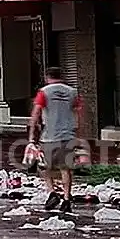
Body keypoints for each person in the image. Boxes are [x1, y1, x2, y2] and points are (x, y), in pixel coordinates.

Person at [29, 67, 83, 214]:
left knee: (44, 167)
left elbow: (36, 113)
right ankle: (66, 199)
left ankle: (52, 193)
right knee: (65, 169)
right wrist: (77, 133)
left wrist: (31, 136)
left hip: (49, 136)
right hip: (68, 135)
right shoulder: (72, 92)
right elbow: (78, 113)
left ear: (47, 77)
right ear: (62, 76)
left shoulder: (44, 92)